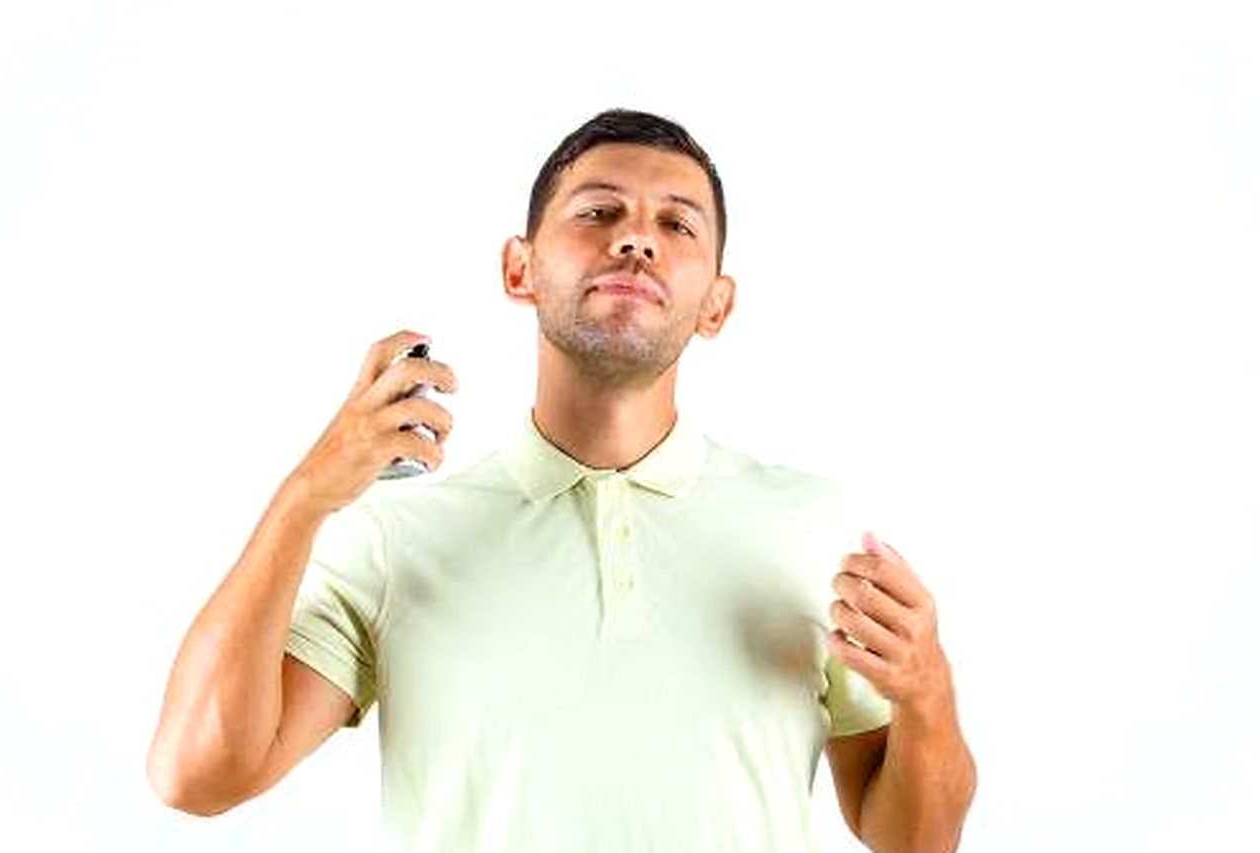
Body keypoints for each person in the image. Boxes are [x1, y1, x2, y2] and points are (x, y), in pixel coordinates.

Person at [147, 108, 977, 852]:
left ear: (716, 305)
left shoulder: (813, 528)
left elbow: (916, 840)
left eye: (677, 224)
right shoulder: (396, 540)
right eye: (598, 212)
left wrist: (928, 692)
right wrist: (305, 497)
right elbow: (194, 773)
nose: (636, 240)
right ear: (520, 269)